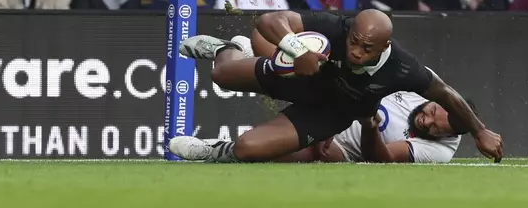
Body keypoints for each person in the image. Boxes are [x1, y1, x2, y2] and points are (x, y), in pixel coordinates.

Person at [174, 9, 503, 163]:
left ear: (385, 46)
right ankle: (225, 48)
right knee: (221, 75)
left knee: (248, 148)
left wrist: (479, 131)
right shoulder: (340, 27)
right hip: (303, 79)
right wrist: (297, 49)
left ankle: (216, 151)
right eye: (353, 43)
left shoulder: (404, 68)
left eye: (366, 48)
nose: (356, 52)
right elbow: (268, 20)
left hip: (331, 115)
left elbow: (446, 94)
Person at [172, 91, 473, 164]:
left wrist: (369, 126)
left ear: (445, 137)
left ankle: (215, 150)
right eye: (432, 112)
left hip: (341, 149)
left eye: (433, 128)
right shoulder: (425, 87)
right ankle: (236, 53)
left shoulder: (440, 152)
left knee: (252, 148)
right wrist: (335, 117)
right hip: (329, 109)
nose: (426, 120)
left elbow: (380, 160)